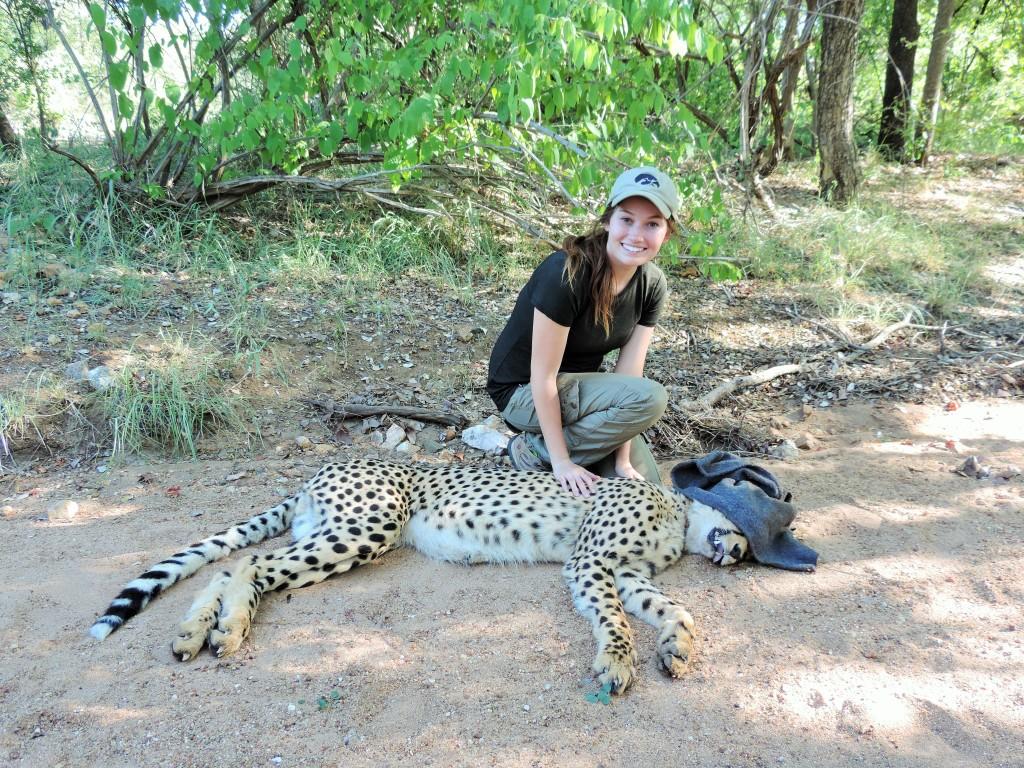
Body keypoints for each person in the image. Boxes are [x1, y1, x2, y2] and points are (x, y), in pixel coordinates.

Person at [486, 166, 678, 498]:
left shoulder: (652, 285)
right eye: (627, 219)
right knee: (653, 397)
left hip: (584, 399)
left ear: (667, 233)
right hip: (524, 393)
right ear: (608, 220)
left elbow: (629, 377)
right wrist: (560, 461)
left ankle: (569, 453)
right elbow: (543, 377)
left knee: (647, 491)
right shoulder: (566, 273)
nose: (636, 235)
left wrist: (621, 459)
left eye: (652, 224)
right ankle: (532, 451)